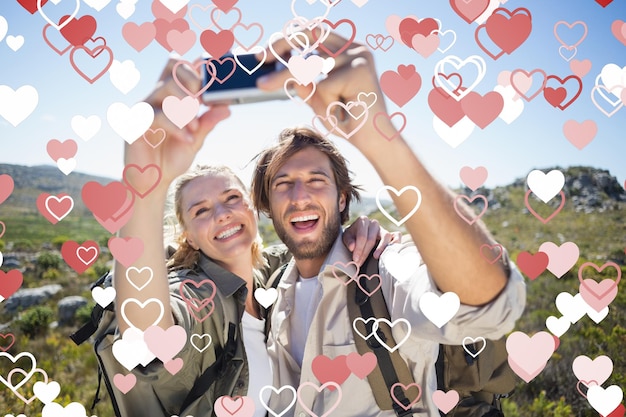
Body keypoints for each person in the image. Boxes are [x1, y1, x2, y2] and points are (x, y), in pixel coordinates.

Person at [247, 32, 527, 416]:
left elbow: (487, 309)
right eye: (283, 185)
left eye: (317, 181)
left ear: (342, 198)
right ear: (267, 205)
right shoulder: (272, 288)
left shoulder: (384, 268)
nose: (300, 197)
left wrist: (378, 135)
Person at [106, 60, 398, 417]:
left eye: (231, 199)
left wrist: (355, 230)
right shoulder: (197, 294)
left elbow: (316, 246)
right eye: (200, 211)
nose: (222, 214)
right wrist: (143, 191)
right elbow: (147, 337)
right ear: (190, 239)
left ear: (253, 209)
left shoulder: (276, 274)